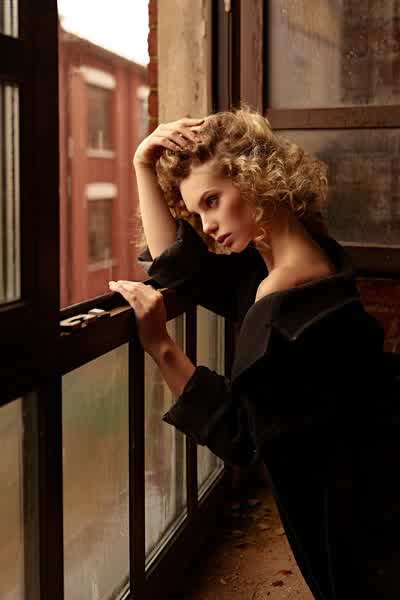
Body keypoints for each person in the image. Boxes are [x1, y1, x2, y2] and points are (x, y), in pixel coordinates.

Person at [109, 105, 400, 600]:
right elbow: (178, 266)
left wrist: (160, 346)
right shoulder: (298, 255)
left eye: (213, 201)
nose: (207, 225)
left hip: (362, 516)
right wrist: (143, 162)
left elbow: (242, 435)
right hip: (370, 476)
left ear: (254, 178)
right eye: (197, 213)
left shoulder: (281, 303)